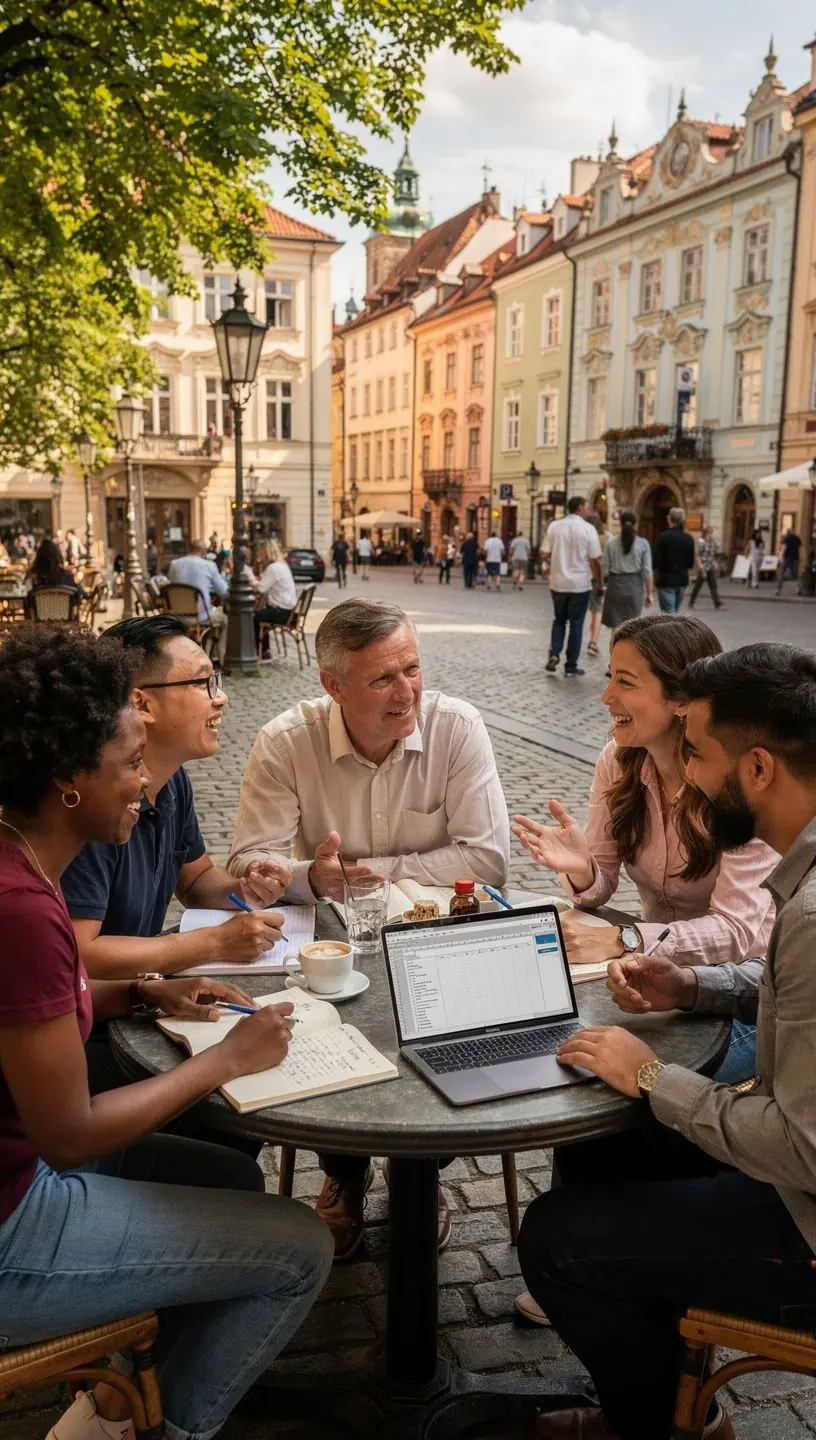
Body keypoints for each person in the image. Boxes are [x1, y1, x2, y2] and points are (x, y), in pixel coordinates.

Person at [0, 626, 332, 1440]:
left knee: (229, 1179)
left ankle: (121, 1395)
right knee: (300, 1248)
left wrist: (144, 994)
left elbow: (44, 1003)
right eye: (130, 766)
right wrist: (225, 1057)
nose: (147, 788)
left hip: (21, 1170)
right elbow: (71, 1135)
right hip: (14, 1222)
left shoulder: (19, 862)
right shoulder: (24, 912)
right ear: (71, 781)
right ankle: (161, 1428)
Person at [519, 642, 816, 1440]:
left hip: (805, 1225)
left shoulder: (810, 908)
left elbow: (799, 1146)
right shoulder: (805, 873)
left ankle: (667, 1425)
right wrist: (691, 986)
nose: (690, 773)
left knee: (552, 1239)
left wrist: (655, 1077)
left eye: (701, 753)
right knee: (612, 1158)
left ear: (757, 768)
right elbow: (793, 995)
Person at [229, 598, 510, 1260]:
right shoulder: (285, 741)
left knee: (450, 1028)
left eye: (412, 668)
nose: (406, 690)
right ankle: (343, 1171)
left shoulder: (457, 728)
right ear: (333, 685)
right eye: (383, 678)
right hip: (332, 943)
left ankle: (422, 1172)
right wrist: (296, 877)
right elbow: (247, 862)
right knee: (326, 1026)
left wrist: (360, 870)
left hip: (439, 941)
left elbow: (488, 859)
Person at [62, 615, 292, 981]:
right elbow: (78, 954)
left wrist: (244, 887)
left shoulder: (172, 781)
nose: (221, 697)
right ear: (143, 704)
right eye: (203, 682)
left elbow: (195, 880)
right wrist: (213, 942)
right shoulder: (93, 802)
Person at [541, 497, 603, 677]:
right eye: (586, 507)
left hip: (557, 583)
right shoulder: (588, 529)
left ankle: (554, 654)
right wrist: (599, 580)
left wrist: (547, 565)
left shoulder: (555, 526)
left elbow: (544, 552)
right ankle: (570, 665)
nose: (587, 510)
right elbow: (595, 559)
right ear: (580, 508)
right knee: (576, 624)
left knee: (559, 620)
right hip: (579, 585)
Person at [601, 510, 653, 644]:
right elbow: (647, 571)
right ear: (635, 524)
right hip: (634, 586)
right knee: (633, 626)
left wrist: (605, 584)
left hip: (615, 585)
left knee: (616, 627)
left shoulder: (611, 542)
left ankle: (614, 654)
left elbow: (605, 567)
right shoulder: (643, 543)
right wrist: (649, 593)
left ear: (620, 523)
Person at [167, 538, 228, 624]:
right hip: (202, 616)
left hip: (178, 616)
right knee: (227, 619)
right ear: (204, 552)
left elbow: (173, 586)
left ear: (190, 550)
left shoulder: (174, 564)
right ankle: (211, 637)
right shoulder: (209, 565)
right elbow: (224, 591)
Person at [254, 539, 297, 651]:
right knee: (259, 613)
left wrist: (253, 582)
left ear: (266, 552)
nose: (258, 554)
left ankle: (261, 651)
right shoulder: (281, 565)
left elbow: (260, 588)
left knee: (251, 616)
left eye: (260, 551)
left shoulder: (273, 568)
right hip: (289, 611)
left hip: (281, 612)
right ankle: (264, 649)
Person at [653, 506, 695, 612]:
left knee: (668, 614)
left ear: (669, 519)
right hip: (682, 579)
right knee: (675, 611)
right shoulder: (688, 538)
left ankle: (671, 628)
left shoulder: (664, 537)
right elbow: (690, 563)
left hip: (666, 579)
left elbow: (657, 560)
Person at [584, 510, 606, 656]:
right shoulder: (605, 538)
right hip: (596, 578)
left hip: (580, 578)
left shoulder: (582, 535)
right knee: (596, 610)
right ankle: (593, 641)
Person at [688, 524, 723, 610]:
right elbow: (698, 555)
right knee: (698, 586)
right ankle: (691, 602)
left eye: (712, 532)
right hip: (703, 567)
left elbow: (712, 554)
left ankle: (717, 602)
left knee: (713, 585)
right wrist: (700, 567)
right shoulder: (701, 542)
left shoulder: (712, 542)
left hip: (710, 566)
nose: (711, 534)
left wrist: (714, 563)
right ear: (705, 533)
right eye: (709, 532)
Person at [776, 528, 802, 596]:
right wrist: (800, 558)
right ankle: (798, 588)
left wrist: (781, 557)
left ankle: (778, 590)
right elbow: (800, 550)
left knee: (781, 573)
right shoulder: (797, 539)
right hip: (795, 559)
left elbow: (784, 548)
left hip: (787, 558)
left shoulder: (786, 539)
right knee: (796, 575)